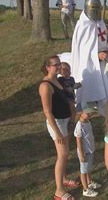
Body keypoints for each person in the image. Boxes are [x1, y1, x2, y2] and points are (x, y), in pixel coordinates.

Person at [39, 56, 77, 200]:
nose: (59, 67)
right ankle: (59, 191)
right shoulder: (45, 85)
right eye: (56, 65)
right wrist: (57, 132)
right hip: (57, 123)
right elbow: (47, 111)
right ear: (48, 67)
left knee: (65, 154)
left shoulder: (58, 80)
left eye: (60, 64)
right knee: (62, 155)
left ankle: (64, 178)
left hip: (65, 120)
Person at [71, 0, 108, 117]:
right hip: (90, 60)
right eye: (92, 10)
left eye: (96, 10)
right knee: (89, 76)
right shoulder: (83, 25)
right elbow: (84, 49)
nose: (94, 13)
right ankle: (88, 102)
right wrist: (98, 55)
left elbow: (103, 38)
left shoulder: (100, 22)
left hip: (105, 57)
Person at [74, 108, 101, 197]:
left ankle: (89, 182)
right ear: (81, 113)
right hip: (84, 152)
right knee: (84, 171)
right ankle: (85, 189)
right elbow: (79, 142)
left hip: (90, 150)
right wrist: (81, 154)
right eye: (87, 113)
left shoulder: (88, 122)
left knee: (88, 168)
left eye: (91, 113)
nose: (90, 114)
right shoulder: (79, 126)